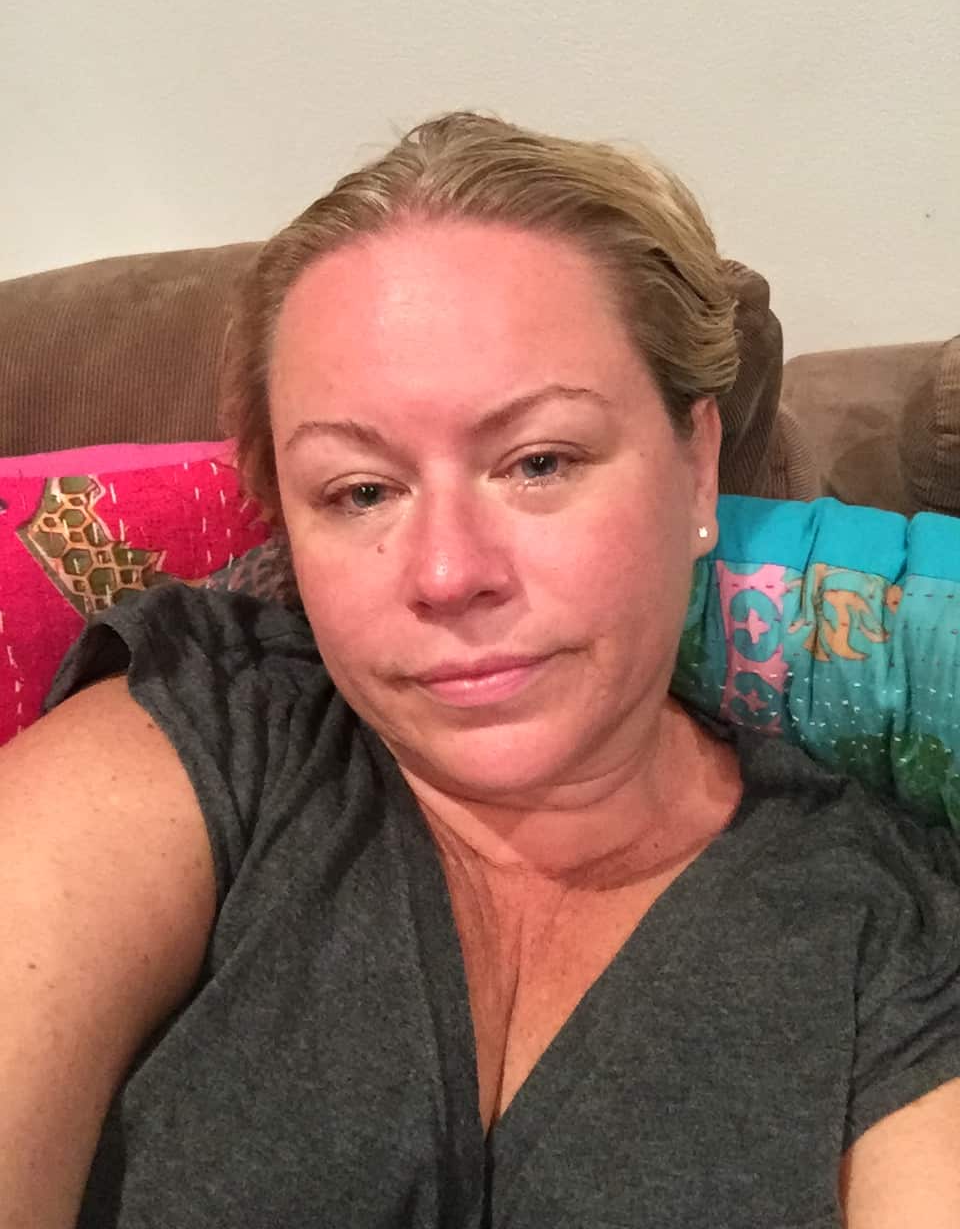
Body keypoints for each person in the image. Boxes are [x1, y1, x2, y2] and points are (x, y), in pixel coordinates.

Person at [2, 112, 959, 1229]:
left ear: (696, 469)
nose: (448, 573)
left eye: (539, 461)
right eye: (361, 490)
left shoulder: (884, 925)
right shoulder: (201, 743)